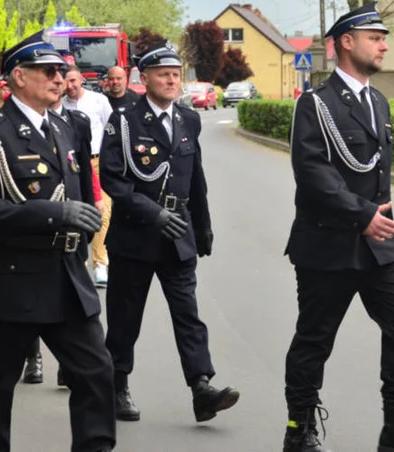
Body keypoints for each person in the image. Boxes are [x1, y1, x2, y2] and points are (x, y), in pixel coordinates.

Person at [283, 4, 394, 452]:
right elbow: (311, 173)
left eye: (384, 37)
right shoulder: (316, 103)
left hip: (379, 243)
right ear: (346, 42)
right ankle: (299, 430)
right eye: (376, 36)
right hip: (328, 242)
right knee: (315, 338)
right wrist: (361, 215)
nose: (384, 44)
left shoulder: (379, 101)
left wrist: (375, 220)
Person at [0, 30, 115, 452]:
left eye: (61, 70)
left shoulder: (66, 127)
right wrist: (51, 213)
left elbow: (79, 191)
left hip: (65, 275)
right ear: (18, 77)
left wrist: (80, 237)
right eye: (47, 71)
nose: (58, 77)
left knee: (96, 372)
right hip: (12, 276)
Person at [99, 44, 239, 424]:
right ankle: (117, 386)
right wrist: (154, 214)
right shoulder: (124, 121)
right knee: (126, 317)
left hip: (178, 234)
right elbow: (113, 179)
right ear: (143, 80)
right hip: (135, 236)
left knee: (188, 315)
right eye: (164, 74)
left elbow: (196, 179)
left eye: (177, 73)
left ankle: (201, 388)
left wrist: (203, 228)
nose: (173, 79)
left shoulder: (187, 120)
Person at [23, 80, 106, 386]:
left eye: (65, 77)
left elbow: (84, 168)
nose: (60, 83)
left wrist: (92, 203)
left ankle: (68, 364)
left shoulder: (77, 122)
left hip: (74, 224)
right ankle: (34, 358)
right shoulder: (17, 125)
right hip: (37, 225)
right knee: (34, 301)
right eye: (52, 75)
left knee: (75, 300)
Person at [62, 66, 114, 287]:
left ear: (81, 79)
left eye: (74, 80)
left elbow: (112, 129)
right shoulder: (60, 105)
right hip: (72, 164)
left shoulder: (98, 100)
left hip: (98, 162)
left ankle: (100, 263)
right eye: (67, 81)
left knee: (102, 212)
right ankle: (80, 262)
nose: (70, 85)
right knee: (78, 211)